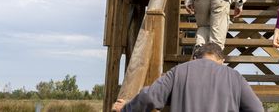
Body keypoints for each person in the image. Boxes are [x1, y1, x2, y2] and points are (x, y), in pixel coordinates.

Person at [113, 43, 264, 112]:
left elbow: (150, 97)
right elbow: (256, 109)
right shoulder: (235, 77)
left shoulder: (178, 71)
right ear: (222, 61)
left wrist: (127, 107)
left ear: (194, 58)